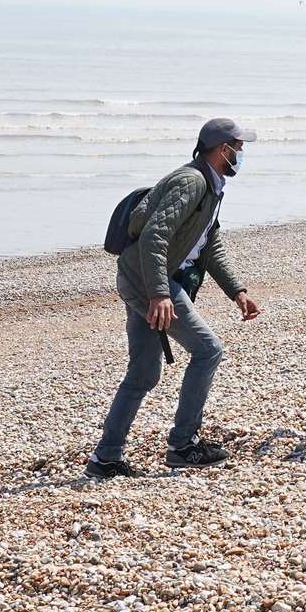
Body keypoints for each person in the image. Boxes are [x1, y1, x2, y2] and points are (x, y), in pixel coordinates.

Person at [87, 118, 264, 478]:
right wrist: (160, 294)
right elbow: (154, 237)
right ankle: (183, 445)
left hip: (145, 280)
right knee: (208, 350)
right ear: (221, 149)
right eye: (239, 149)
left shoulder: (211, 186)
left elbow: (208, 244)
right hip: (150, 282)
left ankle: (105, 458)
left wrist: (237, 291)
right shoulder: (192, 181)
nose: (242, 155)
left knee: (142, 373)